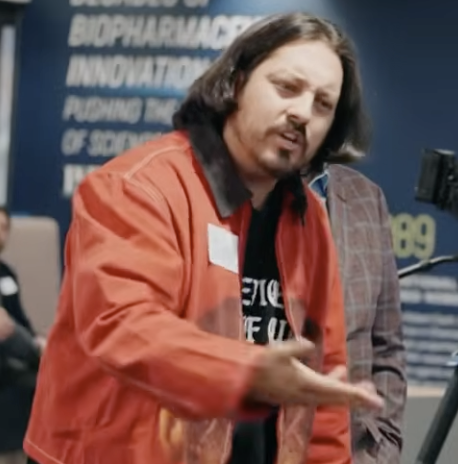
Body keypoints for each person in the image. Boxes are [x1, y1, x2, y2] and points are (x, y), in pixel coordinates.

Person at [24, 13, 383, 464]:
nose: (303, 112)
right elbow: (125, 326)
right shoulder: (137, 187)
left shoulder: (309, 217)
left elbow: (323, 385)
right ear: (237, 83)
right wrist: (248, 370)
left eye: (323, 104)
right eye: (287, 87)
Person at [308, 164, 407, 463]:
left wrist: (384, 448)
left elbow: (387, 346)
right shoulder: (251, 189)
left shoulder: (366, 196)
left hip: (355, 451)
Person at [0, 206, 44, 464]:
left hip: (14, 356)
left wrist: (35, 339)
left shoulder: (7, 274)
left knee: (38, 383)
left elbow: (20, 319)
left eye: (4, 228)